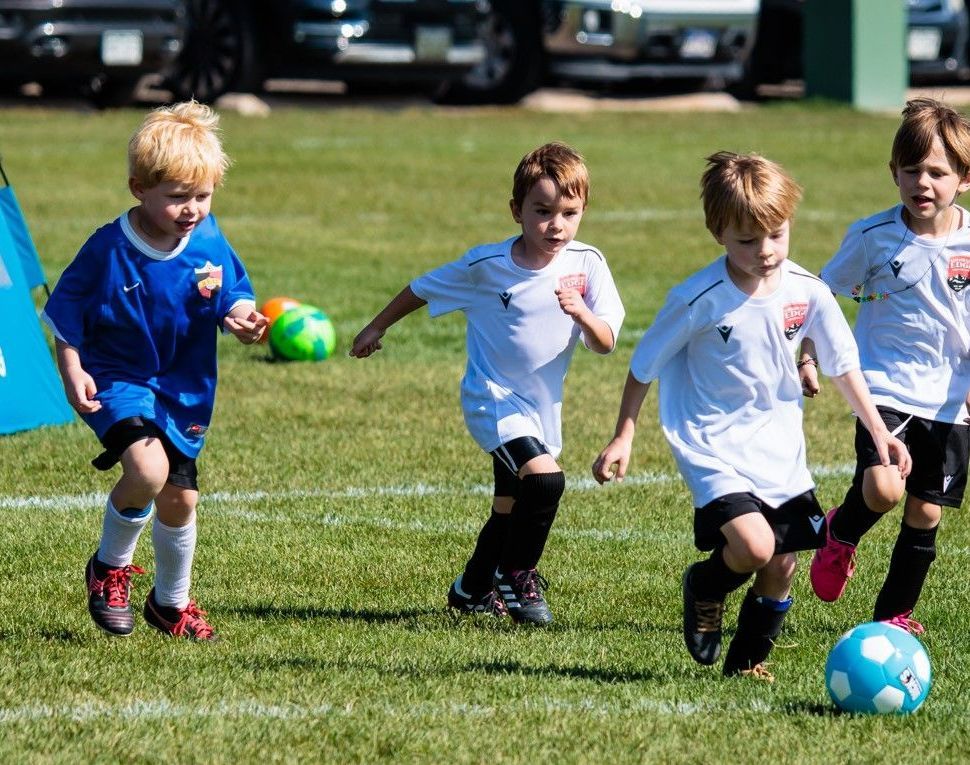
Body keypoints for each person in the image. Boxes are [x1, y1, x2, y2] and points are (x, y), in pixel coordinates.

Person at [592, 152, 911, 679]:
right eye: (747, 240)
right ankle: (707, 585)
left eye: (777, 235)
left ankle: (745, 665)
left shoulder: (806, 290)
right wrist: (624, 435)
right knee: (755, 545)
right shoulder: (698, 297)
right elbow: (644, 364)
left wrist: (880, 432)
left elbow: (843, 364)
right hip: (709, 441)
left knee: (782, 565)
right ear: (717, 232)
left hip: (778, 446)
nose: (765, 252)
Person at [350, 142, 625, 625]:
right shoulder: (486, 266)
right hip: (492, 399)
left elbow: (605, 342)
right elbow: (423, 286)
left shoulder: (588, 265)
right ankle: (518, 574)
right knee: (545, 479)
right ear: (516, 210)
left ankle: (471, 588)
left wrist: (582, 313)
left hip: (542, 406)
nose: (556, 225)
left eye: (569, 212)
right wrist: (377, 326)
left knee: (509, 505)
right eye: (542, 211)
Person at [42, 101, 268, 641]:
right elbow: (64, 315)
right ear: (138, 187)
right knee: (146, 473)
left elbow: (231, 291)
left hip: (184, 389)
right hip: (118, 380)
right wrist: (72, 370)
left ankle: (170, 604)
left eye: (203, 195)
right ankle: (109, 567)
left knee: (180, 498)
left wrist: (240, 318)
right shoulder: (108, 248)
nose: (192, 209)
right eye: (177, 197)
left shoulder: (209, 238)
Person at [804, 97, 970, 635]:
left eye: (938, 173)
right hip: (884, 388)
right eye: (911, 171)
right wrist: (807, 354)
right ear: (893, 173)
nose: (923, 183)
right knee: (884, 489)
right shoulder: (873, 238)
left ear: (963, 180)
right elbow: (823, 300)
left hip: (950, 398)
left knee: (926, 513)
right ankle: (841, 532)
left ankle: (891, 617)